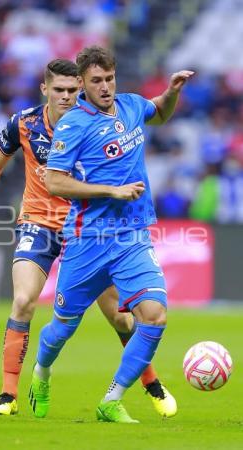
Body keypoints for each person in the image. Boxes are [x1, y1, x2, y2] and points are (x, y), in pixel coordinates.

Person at [0, 59, 177, 417]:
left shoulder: (91, 123)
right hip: (40, 224)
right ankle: (8, 395)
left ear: (81, 89)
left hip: (89, 232)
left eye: (73, 90)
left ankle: (151, 383)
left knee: (121, 319)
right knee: (24, 300)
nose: (66, 96)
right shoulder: (24, 124)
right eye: (58, 90)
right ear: (45, 89)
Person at [29, 47, 193, 423]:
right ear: (83, 84)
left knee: (153, 316)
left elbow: (160, 114)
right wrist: (110, 190)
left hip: (132, 237)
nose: (105, 87)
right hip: (88, 240)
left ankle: (111, 400)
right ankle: (41, 371)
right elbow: (54, 181)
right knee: (61, 329)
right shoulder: (73, 124)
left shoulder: (132, 105)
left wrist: (172, 93)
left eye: (110, 79)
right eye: (96, 81)